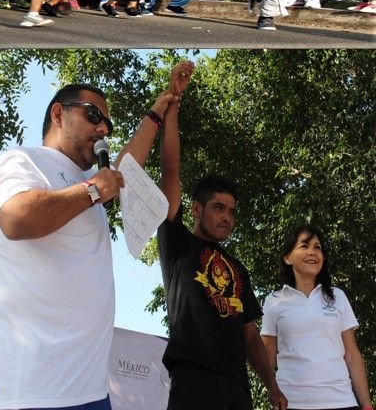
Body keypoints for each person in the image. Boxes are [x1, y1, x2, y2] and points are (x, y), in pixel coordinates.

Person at [0, 60, 194, 410]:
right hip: (37, 391)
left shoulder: (94, 186)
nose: (103, 128)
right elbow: (15, 218)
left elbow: (125, 168)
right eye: (92, 115)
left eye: (107, 123)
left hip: (92, 391)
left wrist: (160, 109)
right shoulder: (23, 161)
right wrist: (91, 191)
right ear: (58, 113)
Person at [156, 108, 287, 410]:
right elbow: (170, 169)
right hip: (195, 379)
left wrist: (271, 385)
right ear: (196, 209)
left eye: (232, 210)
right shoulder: (177, 243)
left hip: (238, 388)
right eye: (219, 207)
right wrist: (173, 108)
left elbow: (251, 337)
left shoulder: (238, 269)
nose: (228, 217)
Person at [261, 225, 373, 410]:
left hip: (342, 402)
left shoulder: (338, 297)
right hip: (291, 403)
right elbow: (267, 356)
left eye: (317, 247)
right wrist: (271, 391)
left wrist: (367, 405)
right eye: (304, 246)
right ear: (287, 257)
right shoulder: (273, 301)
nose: (312, 252)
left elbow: (352, 355)